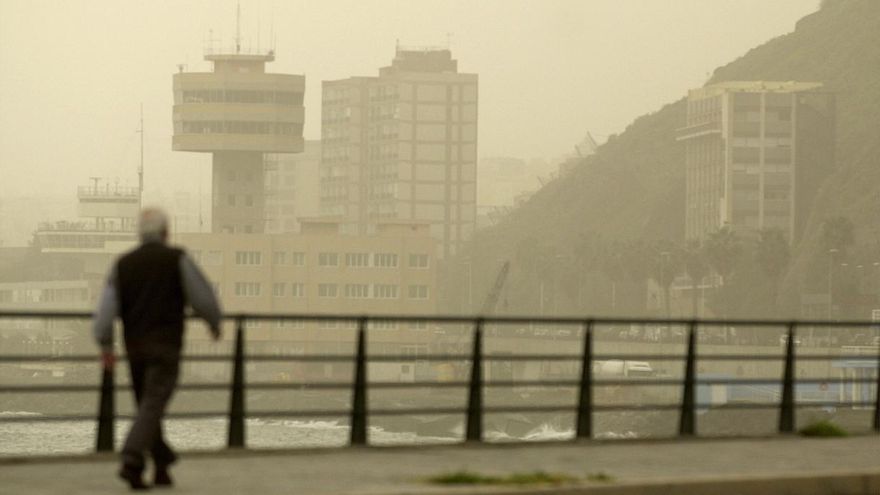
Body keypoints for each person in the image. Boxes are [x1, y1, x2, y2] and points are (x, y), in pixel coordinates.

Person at [94, 208, 221, 490]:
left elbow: (105, 311)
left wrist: (105, 344)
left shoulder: (123, 264)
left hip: (135, 348)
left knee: (147, 406)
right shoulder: (176, 259)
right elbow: (202, 295)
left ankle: (160, 465)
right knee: (152, 405)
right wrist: (214, 322)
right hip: (165, 346)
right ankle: (130, 459)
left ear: (140, 233)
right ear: (166, 232)